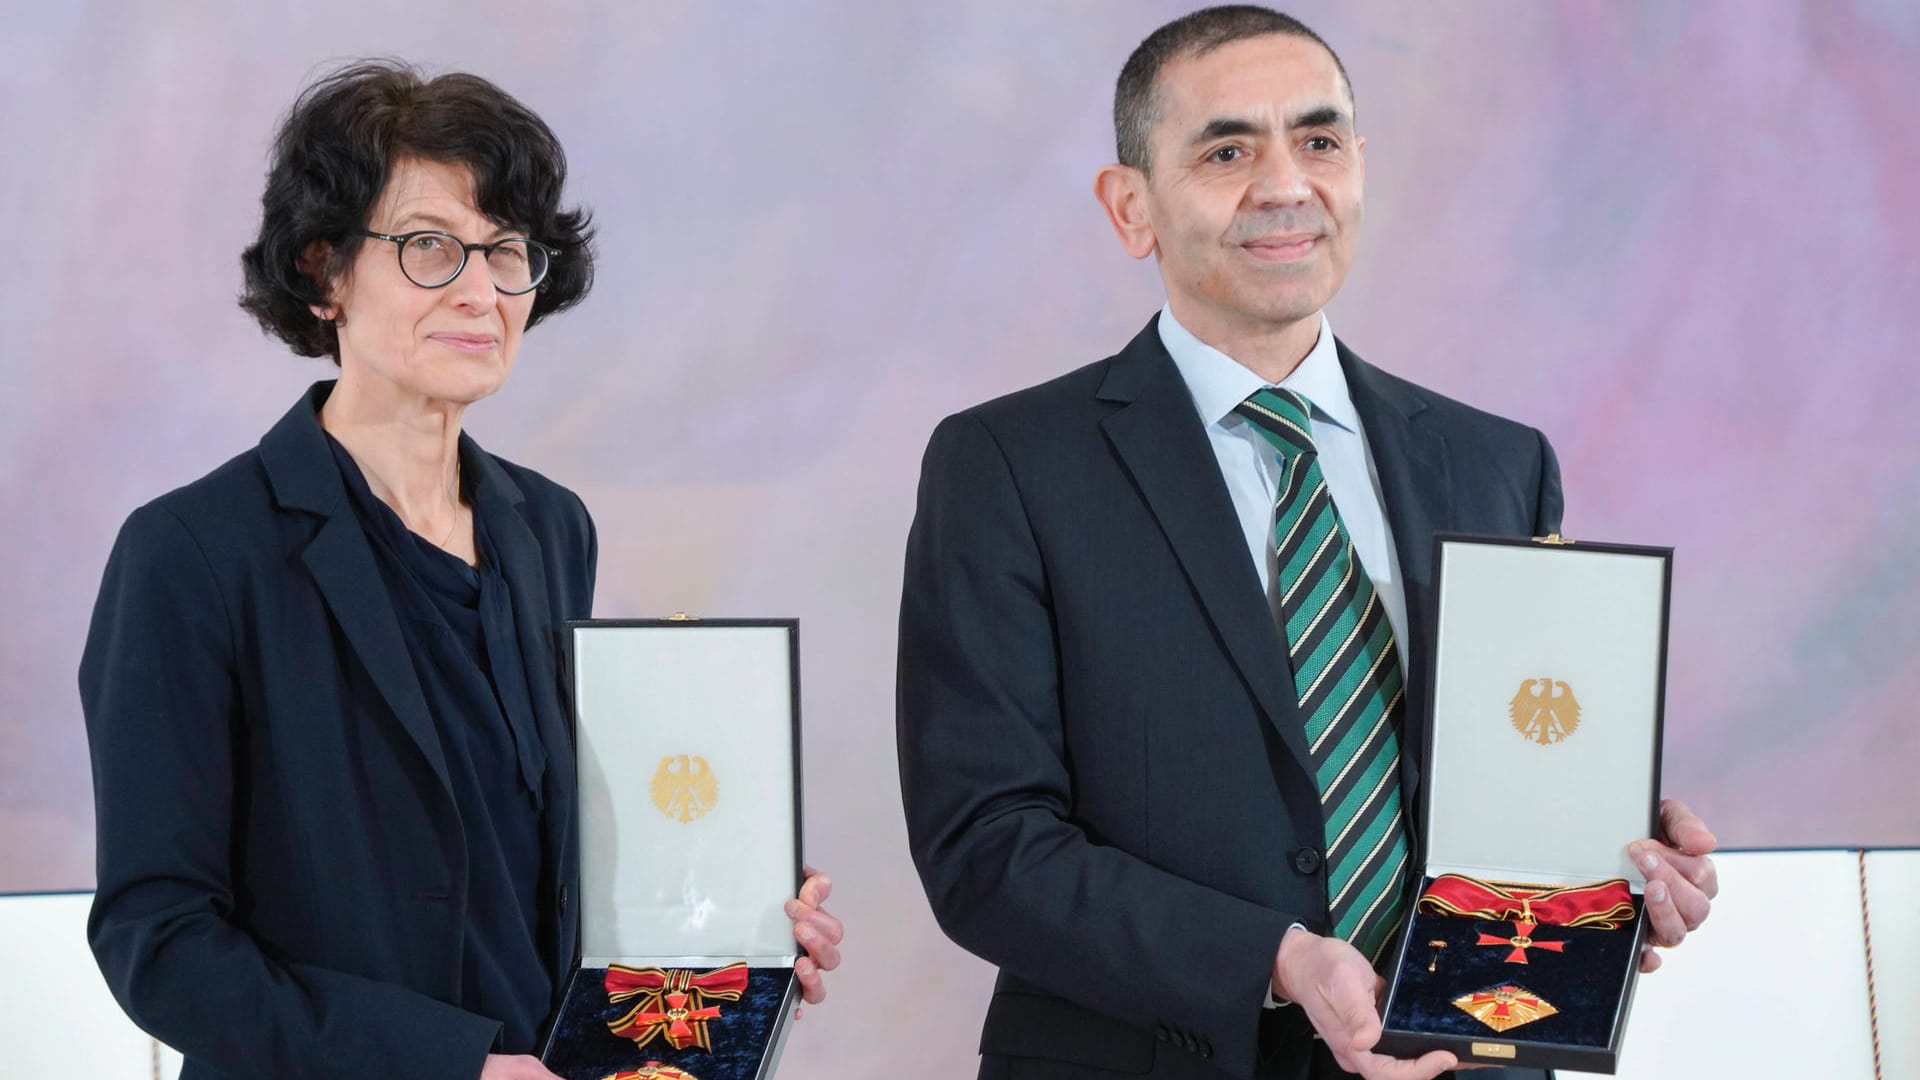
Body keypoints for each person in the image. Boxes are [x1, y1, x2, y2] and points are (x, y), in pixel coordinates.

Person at [896, 8, 1715, 1080]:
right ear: (1131, 206)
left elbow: (1509, 754)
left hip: (1469, 1053)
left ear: (1359, 170)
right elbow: (987, 849)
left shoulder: (1495, 464)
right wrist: (1276, 960)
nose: (1285, 183)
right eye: (1227, 149)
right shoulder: (1007, 466)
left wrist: (1605, 856)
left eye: (1319, 142)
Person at [79, 61, 842, 1080]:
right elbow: (160, 940)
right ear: (323, 269)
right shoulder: (193, 554)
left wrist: (726, 924)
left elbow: (549, 869)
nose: (482, 291)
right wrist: (453, 1066)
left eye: (507, 251)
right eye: (432, 247)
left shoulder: (549, 528)